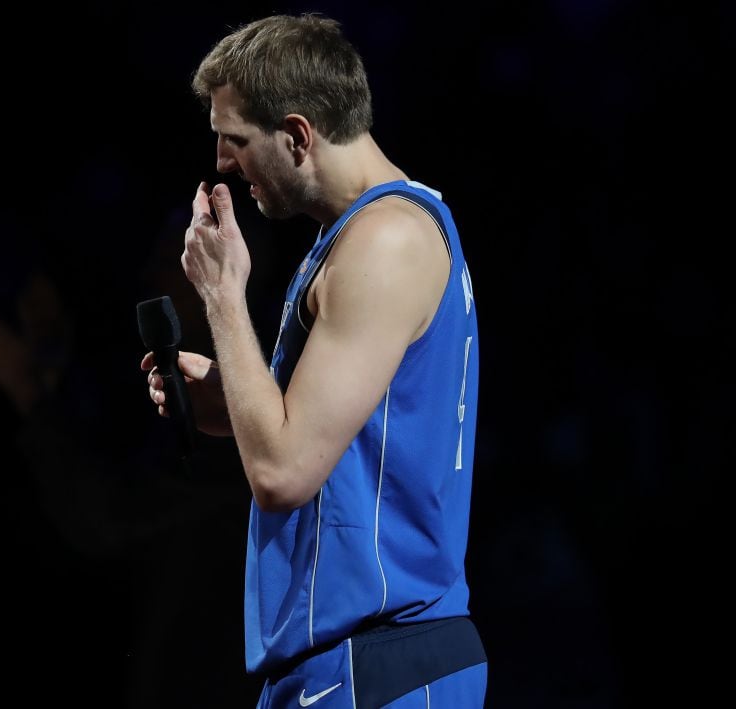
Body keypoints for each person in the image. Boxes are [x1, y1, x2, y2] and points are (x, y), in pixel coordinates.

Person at [141, 13, 487, 709]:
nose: (221, 164)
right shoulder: (352, 237)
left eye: (234, 140)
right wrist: (236, 399)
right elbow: (314, 439)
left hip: (382, 662)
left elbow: (281, 472)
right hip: (346, 663)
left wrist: (222, 294)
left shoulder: (386, 241)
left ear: (297, 135)